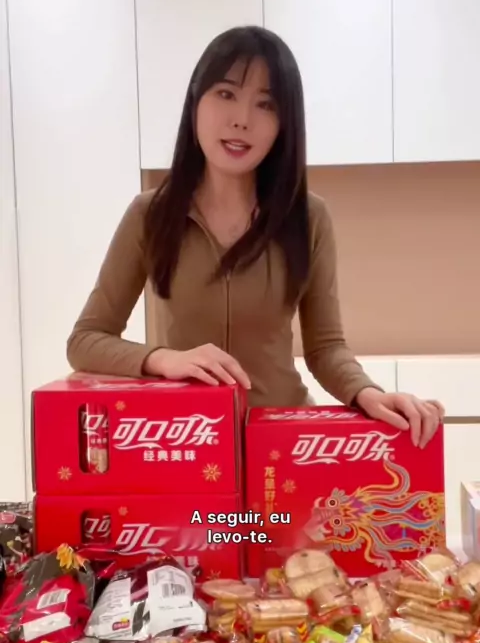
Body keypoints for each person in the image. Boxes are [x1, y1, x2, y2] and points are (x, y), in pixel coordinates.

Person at [67, 25, 444, 448]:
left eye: (265, 104)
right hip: (189, 442)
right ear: (196, 101)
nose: (241, 120)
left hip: (283, 442)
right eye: (226, 93)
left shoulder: (308, 218)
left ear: (283, 124)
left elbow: (325, 347)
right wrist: (163, 360)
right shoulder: (149, 215)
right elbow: (86, 340)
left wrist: (368, 392)